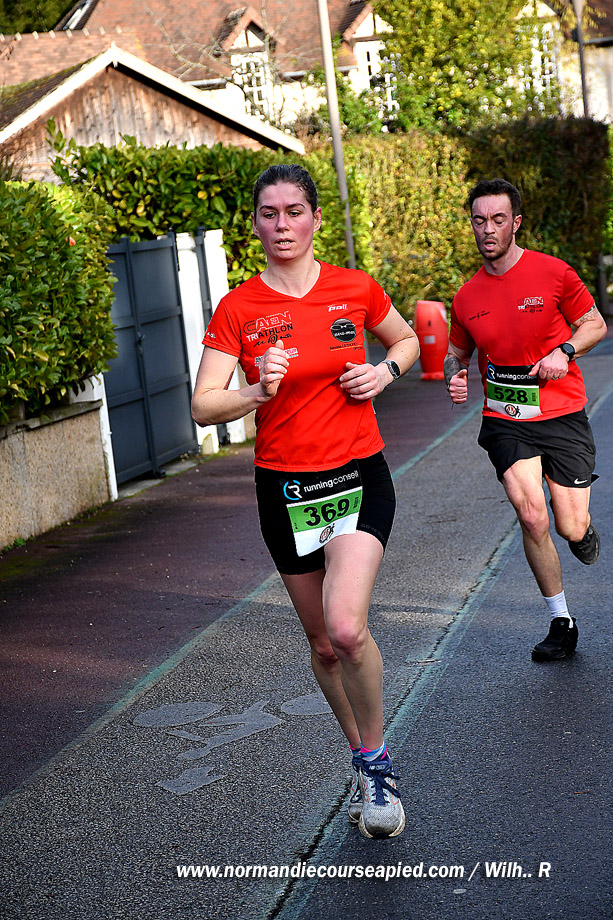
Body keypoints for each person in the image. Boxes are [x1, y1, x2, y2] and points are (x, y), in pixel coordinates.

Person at [191, 163, 419, 838]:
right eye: (269, 213)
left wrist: (382, 372)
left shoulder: (354, 287)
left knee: (346, 627)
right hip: (286, 489)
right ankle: (362, 756)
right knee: (322, 645)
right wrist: (254, 391)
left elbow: (406, 338)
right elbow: (203, 405)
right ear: (255, 223)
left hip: (357, 475)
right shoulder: (239, 308)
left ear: (316, 218)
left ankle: (377, 764)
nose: (282, 224)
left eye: (294, 211)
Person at [445, 177, 607, 662]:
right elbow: (456, 353)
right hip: (505, 417)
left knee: (569, 526)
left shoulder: (553, 273)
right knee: (531, 514)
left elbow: (595, 324)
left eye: (498, 219)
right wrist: (455, 375)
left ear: (515, 222)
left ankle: (581, 529)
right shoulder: (466, 296)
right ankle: (561, 620)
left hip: (562, 412)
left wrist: (565, 350)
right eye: (479, 220)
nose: (488, 229)